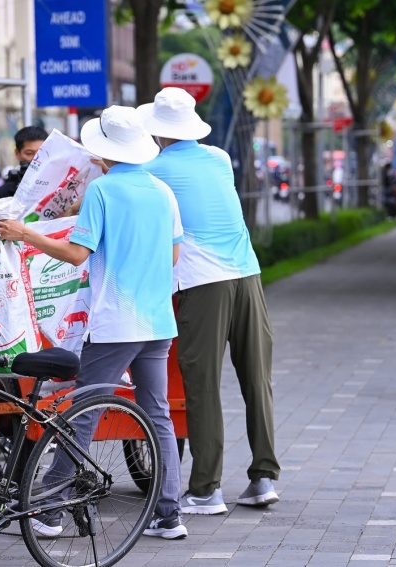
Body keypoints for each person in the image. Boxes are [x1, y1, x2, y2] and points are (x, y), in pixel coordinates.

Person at [0, 105, 188, 540]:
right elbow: (174, 255)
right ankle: (169, 514)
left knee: (83, 411)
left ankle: (49, 508)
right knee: (157, 413)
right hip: (157, 321)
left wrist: (25, 234)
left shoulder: (103, 192)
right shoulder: (162, 191)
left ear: (103, 152)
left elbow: (77, 254)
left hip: (115, 324)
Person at [137, 87, 279, 515]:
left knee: (202, 385)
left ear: (157, 130)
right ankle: (264, 477)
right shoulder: (220, 159)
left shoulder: (153, 171)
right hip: (248, 275)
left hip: (203, 283)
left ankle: (205, 490)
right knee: (257, 379)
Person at [0, 126, 48, 201]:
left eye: (41, 153)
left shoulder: (59, 188)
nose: (36, 159)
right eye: (29, 153)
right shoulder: (3, 194)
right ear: (17, 153)